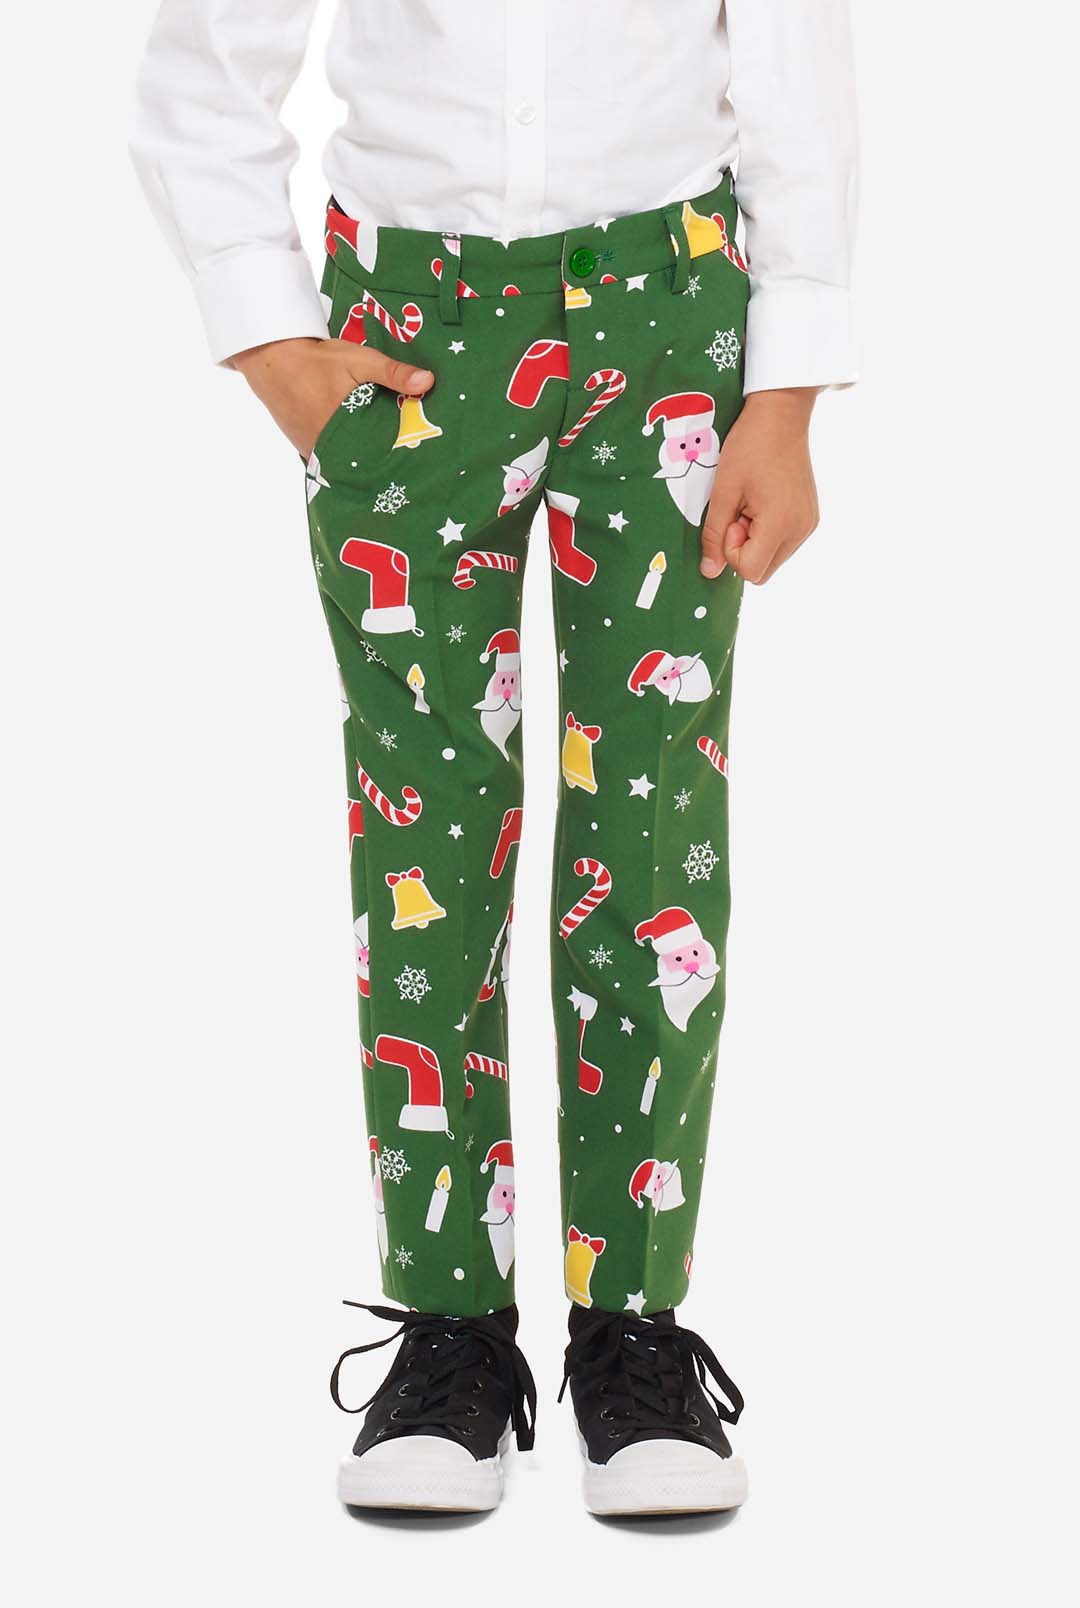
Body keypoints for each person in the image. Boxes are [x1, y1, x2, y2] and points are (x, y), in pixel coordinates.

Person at [131, 0, 857, 1518]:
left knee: (648, 833)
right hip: (409, 334)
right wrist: (268, 334)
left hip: (669, 319)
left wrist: (786, 388)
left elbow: (794, 56)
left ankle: (632, 1332)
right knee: (427, 832)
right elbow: (208, 63)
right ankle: (452, 1332)